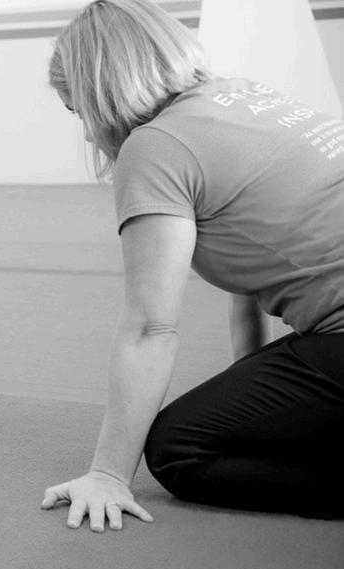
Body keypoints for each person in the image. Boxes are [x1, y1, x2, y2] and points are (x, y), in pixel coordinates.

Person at [41, 0, 344, 529]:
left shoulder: (155, 146)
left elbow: (150, 328)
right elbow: (250, 262)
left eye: (78, 111)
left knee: (180, 446)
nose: (87, 133)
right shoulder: (241, 96)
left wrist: (108, 475)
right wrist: (253, 380)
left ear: (101, 92)